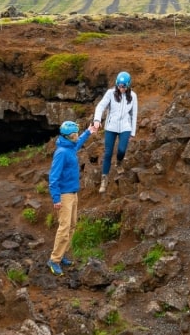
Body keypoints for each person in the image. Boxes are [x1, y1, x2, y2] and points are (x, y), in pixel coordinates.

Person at [47, 119, 97, 276]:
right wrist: (56, 199)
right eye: (75, 134)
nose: (77, 136)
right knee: (64, 227)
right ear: (68, 136)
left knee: (73, 225)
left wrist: (89, 132)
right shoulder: (61, 153)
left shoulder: (69, 146)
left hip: (73, 193)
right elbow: (53, 178)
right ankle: (54, 260)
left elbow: (77, 143)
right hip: (64, 195)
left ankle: (61, 255)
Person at [92, 70, 137, 194]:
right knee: (107, 153)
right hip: (111, 127)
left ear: (128, 85)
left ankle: (119, 162)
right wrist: (97, 120)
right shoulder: (110, 93)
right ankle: (104, 179)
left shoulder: (133, 96)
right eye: (119, 86)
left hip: (125, 127)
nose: (121, 88)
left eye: (124, 86)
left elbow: (134, 114)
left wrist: (132, 132)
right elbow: (100, 106)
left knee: (122, 150)